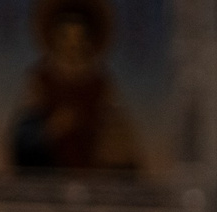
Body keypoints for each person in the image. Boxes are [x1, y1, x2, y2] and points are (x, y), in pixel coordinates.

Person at [8, 0, 141, 173]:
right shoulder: (41, 79)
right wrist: (51, 128)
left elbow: (116, 127)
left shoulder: (99, 82)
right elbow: (23, 136)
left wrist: (113, 139)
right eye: (65, 37)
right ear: (54, 38)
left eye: (78, 38)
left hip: (93, 170)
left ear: (88, 41)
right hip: (51, 170)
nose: (72, 46)